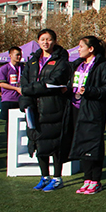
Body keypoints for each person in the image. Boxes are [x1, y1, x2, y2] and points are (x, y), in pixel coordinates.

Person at [19, 29, 71, 192]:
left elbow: (53, 82)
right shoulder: (33, 61)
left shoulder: (61, 61)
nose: (45, 42)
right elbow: (24, 83)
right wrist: (26, 101)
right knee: (38, 142)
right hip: (34, 108)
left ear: (54, 41)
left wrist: (30, 89)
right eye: (42, 39)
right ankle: (44, 176)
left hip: (53, 107)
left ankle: (57, 178)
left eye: (49, 39)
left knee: (55, 143)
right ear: (38, 41)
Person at [66, 36, 106, 195]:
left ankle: (95, 180)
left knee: (94, 144)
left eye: (81, 46)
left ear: (91, 49)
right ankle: (87, 179)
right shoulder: (77, 65)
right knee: (82, 143)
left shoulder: (103, 65)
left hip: (93, 109)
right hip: (76, 107)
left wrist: (90, 91)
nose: (78, 49)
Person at [0, 47, 23, 125]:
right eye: (17, 55)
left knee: (20, 124)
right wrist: (16, 88)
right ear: (10, 55)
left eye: (20, 55)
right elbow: (2, 84)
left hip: (21, 99)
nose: (19, 57)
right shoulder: (4, 68)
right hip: (8, 99)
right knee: (9, 124)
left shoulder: (24, 68)